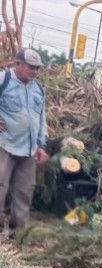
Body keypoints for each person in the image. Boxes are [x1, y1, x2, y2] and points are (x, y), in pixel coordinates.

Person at [0, 49, 48, 239]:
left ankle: (19, 234)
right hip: (4, 145)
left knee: (24, 192)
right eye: (31, 67)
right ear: (17, 63)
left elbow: (41, 118)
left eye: (37, 68)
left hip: (28, 149)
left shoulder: (38, 88)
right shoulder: (3, 80)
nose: (35, 71)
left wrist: (41, 145)